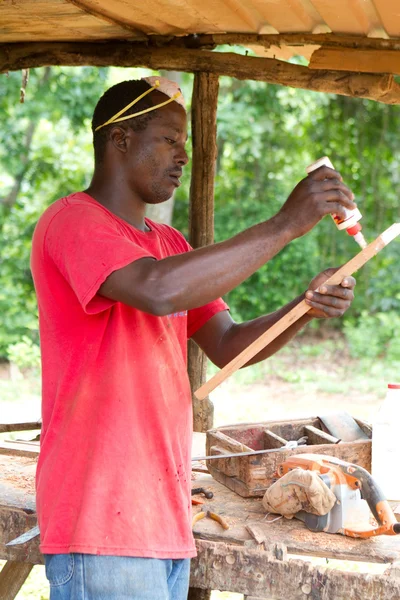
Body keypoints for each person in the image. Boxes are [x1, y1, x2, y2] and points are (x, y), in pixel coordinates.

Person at [31, 76, 357, 600]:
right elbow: (156, 291)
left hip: (162, 519)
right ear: (120, 139)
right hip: (101, 522)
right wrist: (283, 225)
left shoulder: (168, 243)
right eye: (169, 139)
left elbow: (227, 344)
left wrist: (304, 307)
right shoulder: (74, 222)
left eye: (186, 143)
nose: (184, 156)